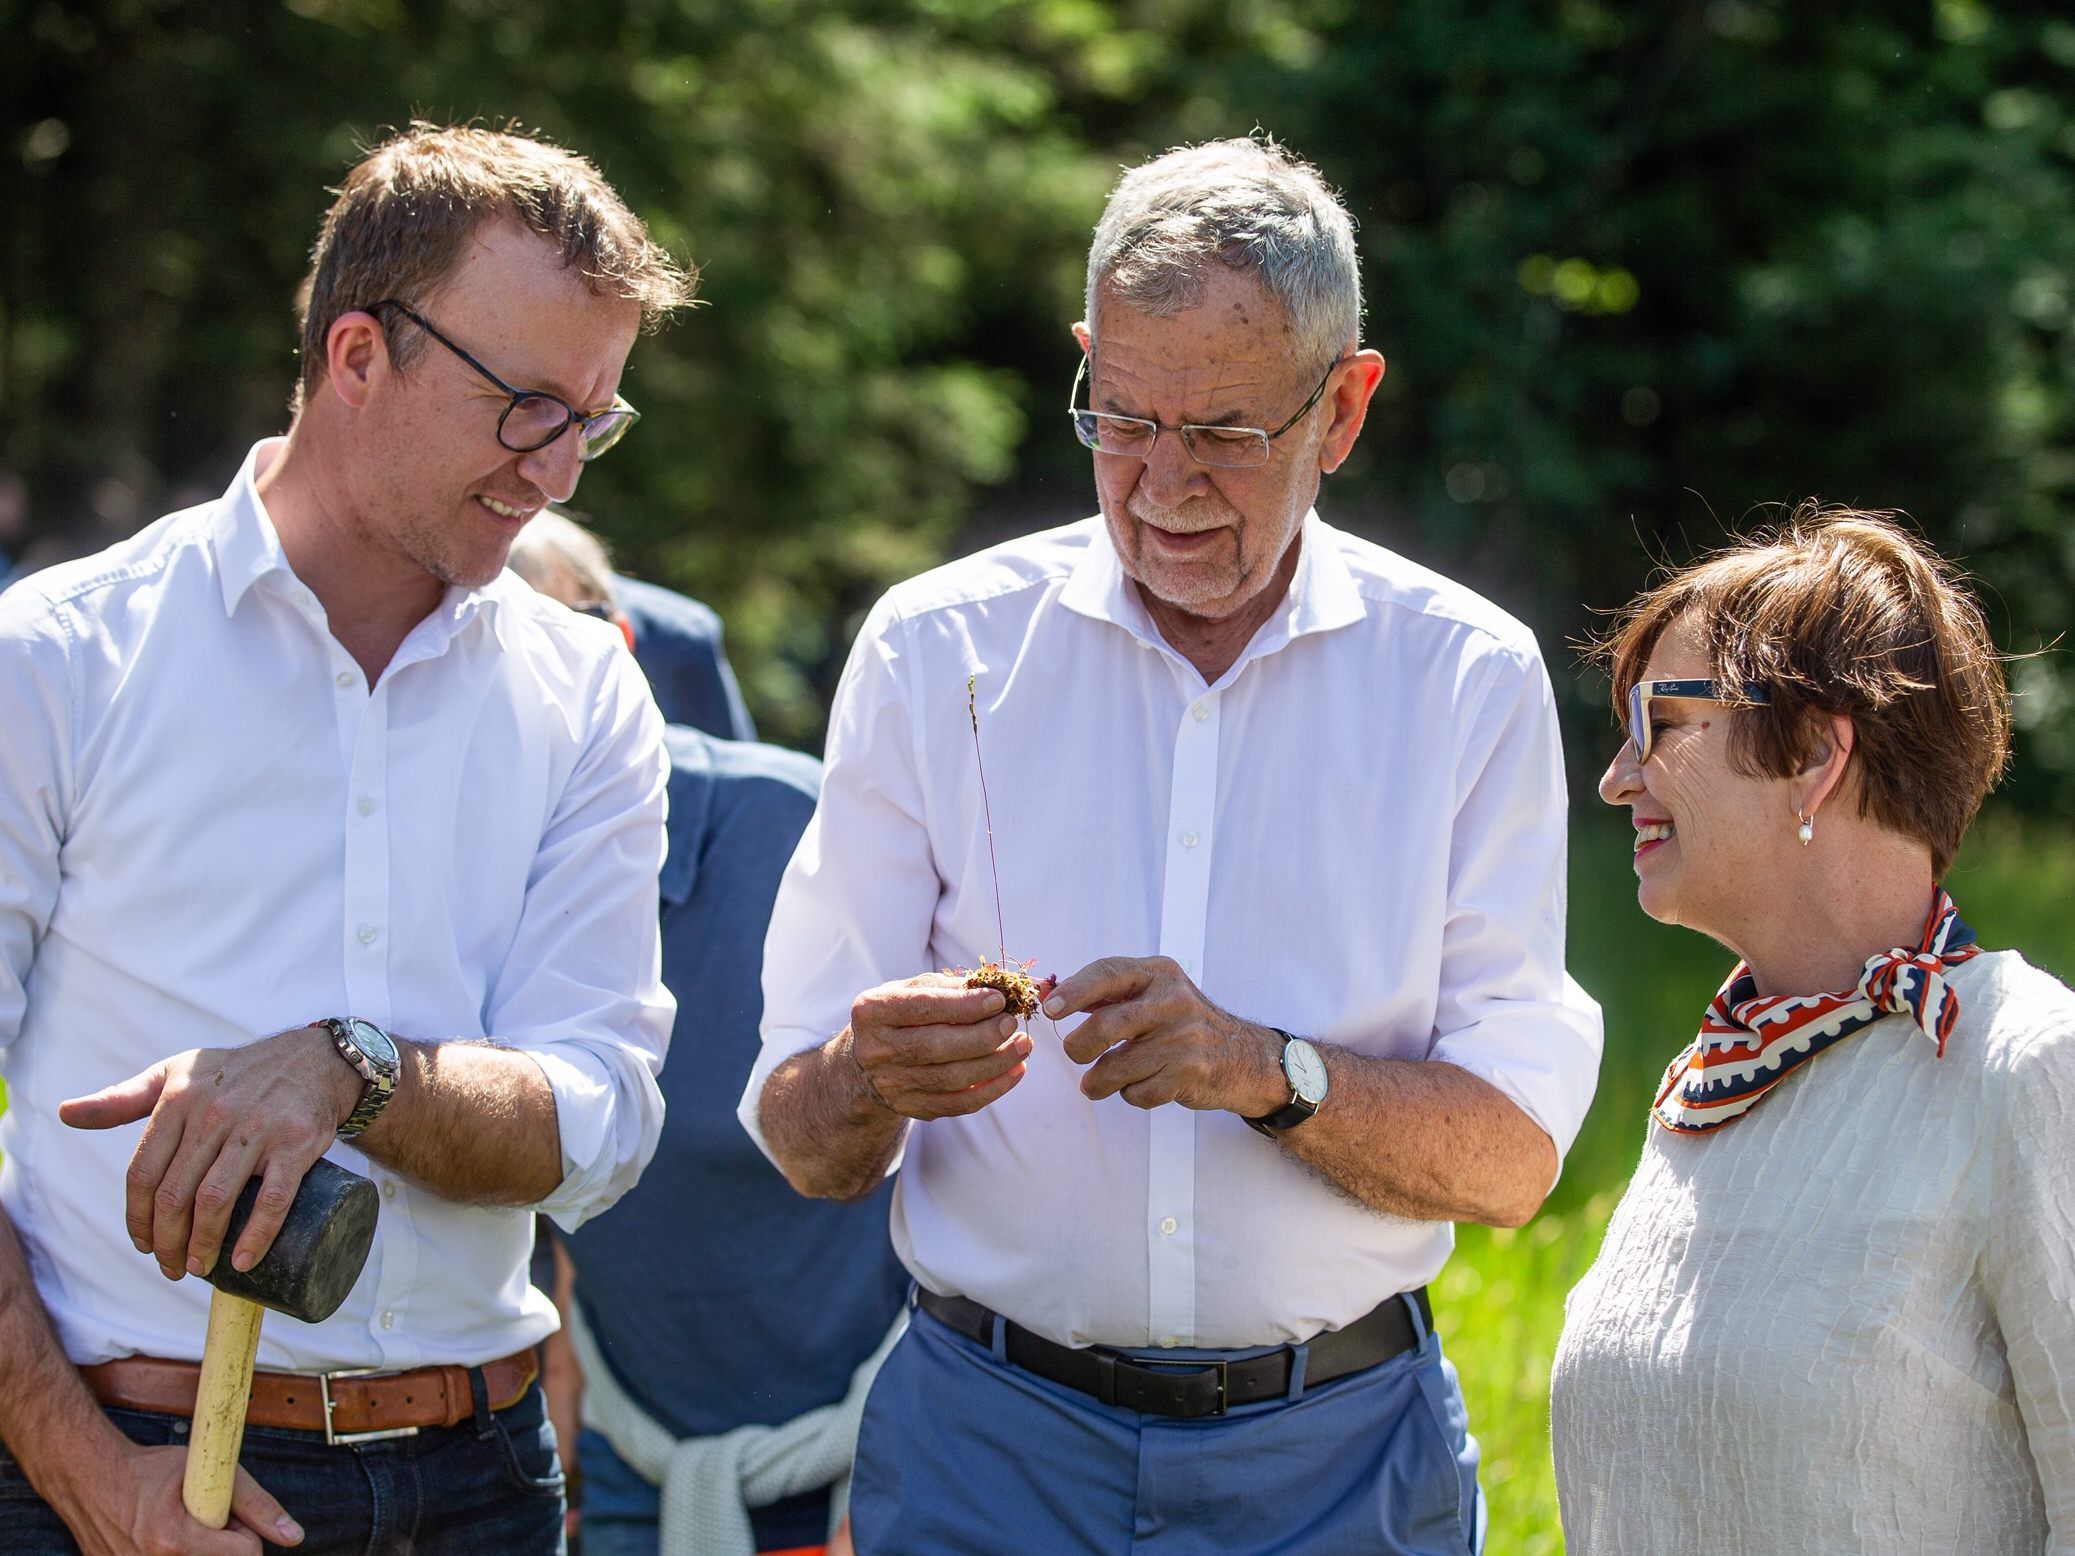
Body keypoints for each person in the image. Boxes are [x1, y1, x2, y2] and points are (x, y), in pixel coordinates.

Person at [740, 135, 1603, 1555]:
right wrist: (867, 1076)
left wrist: (1263, 1072)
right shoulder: (930, 648)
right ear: (1085, 361)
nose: (1159, 485)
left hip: (1337, 1466)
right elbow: (797, 1137)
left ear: (1342, 407)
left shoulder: (1461, 675)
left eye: (1222, 434)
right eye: (1123, 419)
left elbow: (1508, 1162)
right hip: (985, 1450)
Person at [0, 122, 693, 1554]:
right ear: (358, 356)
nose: (560, 475)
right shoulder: (55, 660)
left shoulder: (584, 690)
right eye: (525, 407)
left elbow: (602, 1124)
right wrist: (79, 1475)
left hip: (486, 1484)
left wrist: (348, 1073)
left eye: (593, 420)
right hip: (132, 1470)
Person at [1550, 506, 2075, 1551]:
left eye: (1659, 722)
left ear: (1812, 754)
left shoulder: (2019, 1063)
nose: (1614, 778)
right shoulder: (1704, 1078)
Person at [508, 517, 907, 1556]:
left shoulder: (795, 823)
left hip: (873, 1446)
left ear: (619, 647)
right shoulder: (471, 878)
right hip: (631, 1450)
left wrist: (925, 1423)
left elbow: (969, 1134)